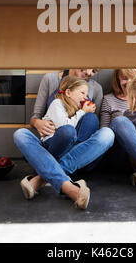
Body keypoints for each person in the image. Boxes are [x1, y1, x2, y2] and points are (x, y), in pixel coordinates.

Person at [13, 75, 114, 210]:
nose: (86, 97)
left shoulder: (79, 111)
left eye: (87, 94)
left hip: (71, 154)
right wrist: (82, 112)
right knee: (21, 134)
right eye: (82, 93)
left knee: (108, 134)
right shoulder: (57, 103)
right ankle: (68, 187)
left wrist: (83, 112)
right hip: (51, 148)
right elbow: (66, 127)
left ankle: (41, 179)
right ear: (68, 92)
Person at [31, 69, 102, 140]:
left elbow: (95, 123)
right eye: (87, 66)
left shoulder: (96, 88)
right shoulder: (50, 79)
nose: (88, 72)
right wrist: (37, 123)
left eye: (93, 71)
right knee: (22, 134)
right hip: (57, 136)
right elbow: (36, 116)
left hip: (81, 139)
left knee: (92, 117)